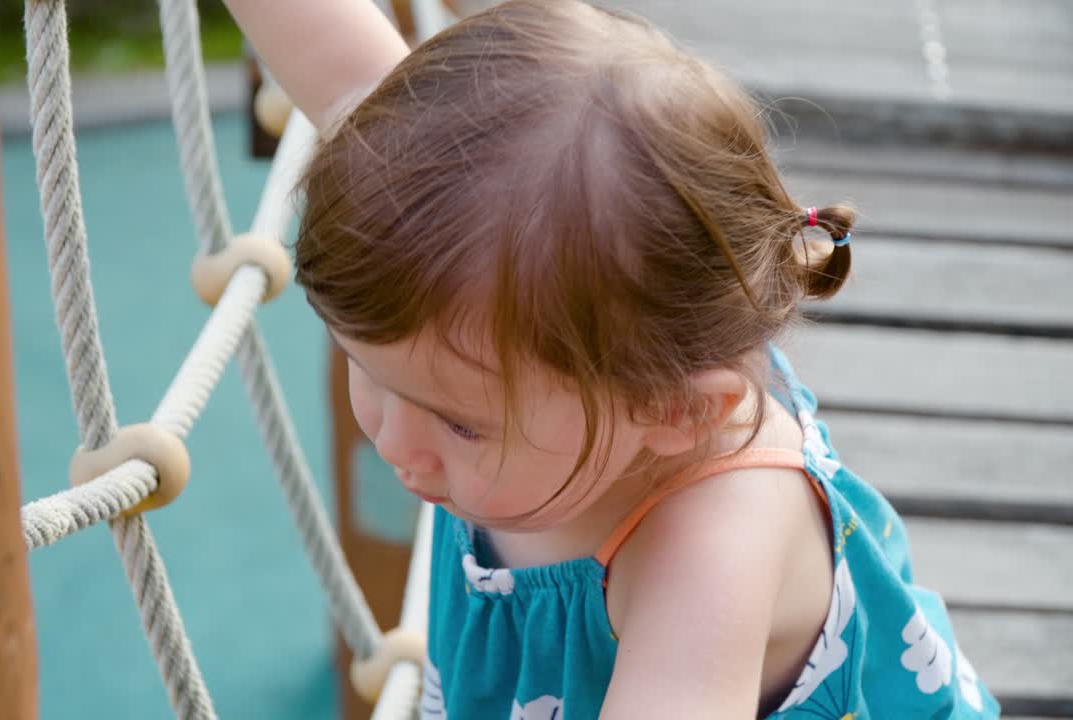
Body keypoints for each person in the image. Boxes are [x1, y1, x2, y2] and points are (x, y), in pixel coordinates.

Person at [223, 0, 999, 716]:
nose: (392, 440)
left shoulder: (713, 550)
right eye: (368, 369)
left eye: (459, 426)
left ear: (677, 411)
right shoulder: (584, 355)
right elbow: (335, 64)